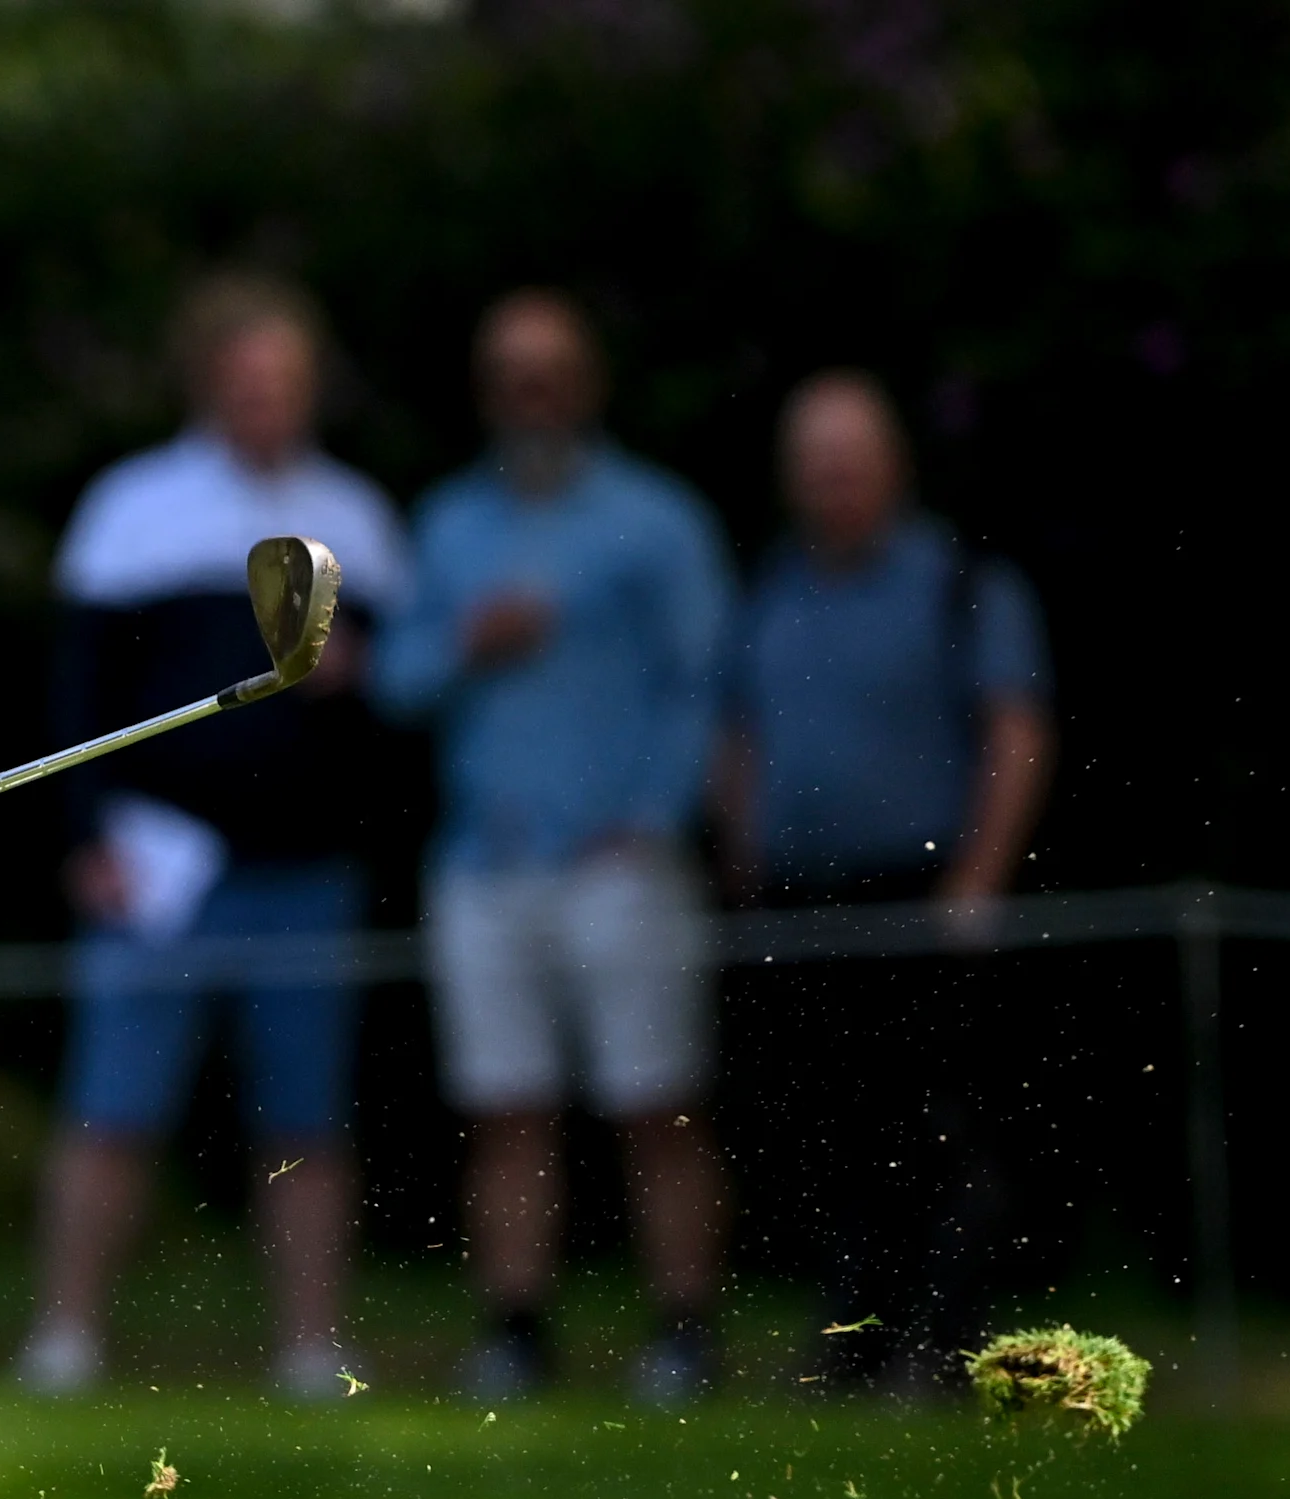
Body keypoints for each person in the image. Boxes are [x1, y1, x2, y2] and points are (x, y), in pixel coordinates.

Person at [15, 276, 411, 1402]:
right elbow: (79, 693)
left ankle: (310, 1348)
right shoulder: (133, 506)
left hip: (308, 871)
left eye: (283, 383)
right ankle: (65, 1340)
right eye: (245, 382)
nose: (264, 401)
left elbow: (398, 708)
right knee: (112, 1109)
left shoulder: (359, 517)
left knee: (305, 1120)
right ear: (207, 384)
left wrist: (362, 674)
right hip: (159, 864)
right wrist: (85, 833)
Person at [373, 291, 732, 1407]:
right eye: (509, 372)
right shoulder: (446, 525)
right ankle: (517, 1330)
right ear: (488, 390)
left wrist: (656, 816)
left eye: (550, 370)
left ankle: (684, 1331)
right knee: (505, 1107)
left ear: (587, 383)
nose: (531, 392)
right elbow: (394, 681)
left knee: (656, 1104)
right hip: (487, 860)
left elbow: (706, 685)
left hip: (619, 859)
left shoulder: (656, 522)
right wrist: (468, 644)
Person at [716, 369, 1053, 1388]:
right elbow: (736, 736)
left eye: (851, 459)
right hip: (802, 906)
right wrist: (743, 862)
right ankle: (856, 1349)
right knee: (833, 1142)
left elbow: (1017, 733)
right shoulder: (768, 588)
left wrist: (980, 880)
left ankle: (946, 1348)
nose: (835, 479)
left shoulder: (960, 581)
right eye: (816, 463)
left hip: (922, 905)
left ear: (894, 465)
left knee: (939, 1139)